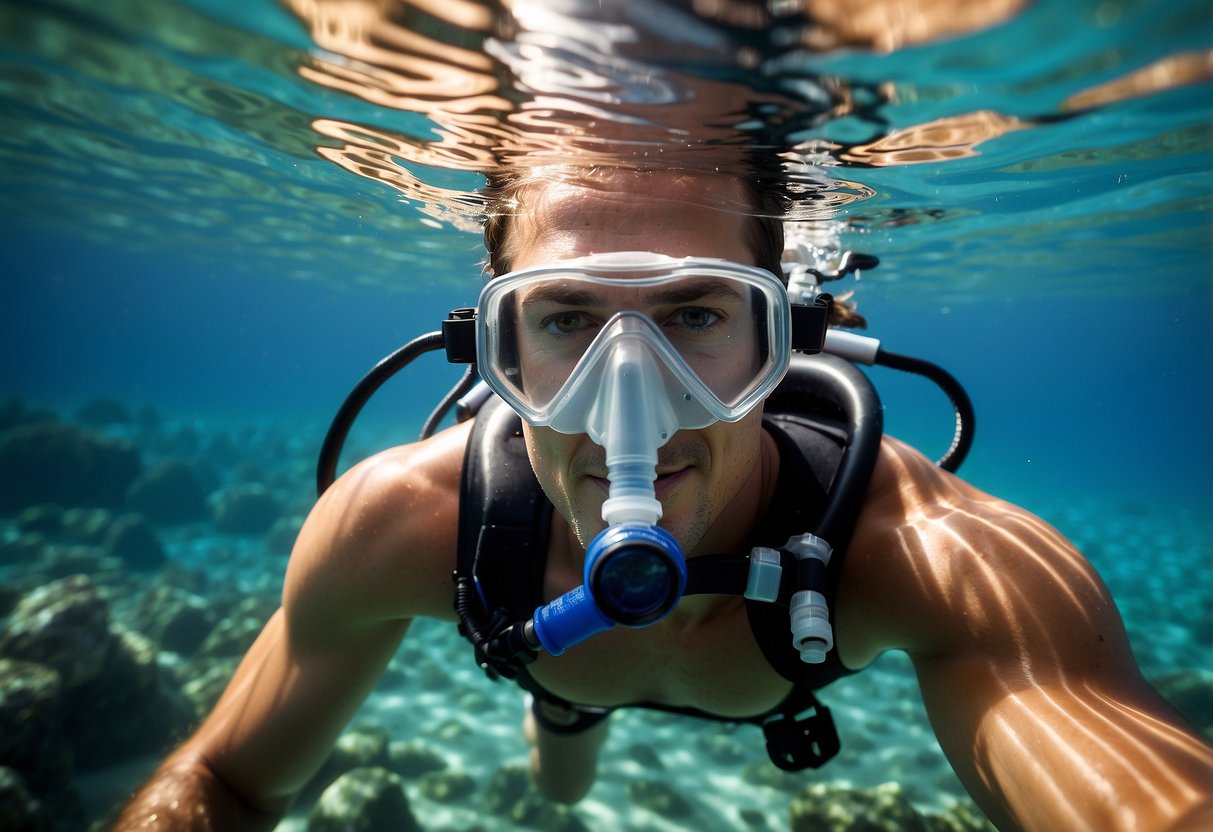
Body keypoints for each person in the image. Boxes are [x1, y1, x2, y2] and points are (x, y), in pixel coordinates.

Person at [113, 166, 1213, 832]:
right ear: (498, 346)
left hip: (627, 640)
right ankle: (564, 703)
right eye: (563, 321)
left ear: (778, 341)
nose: (625, 404)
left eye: (696, 316)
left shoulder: (923, 550)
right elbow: (218, 776)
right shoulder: (397, 524)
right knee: (561, 781)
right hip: (545, 646)